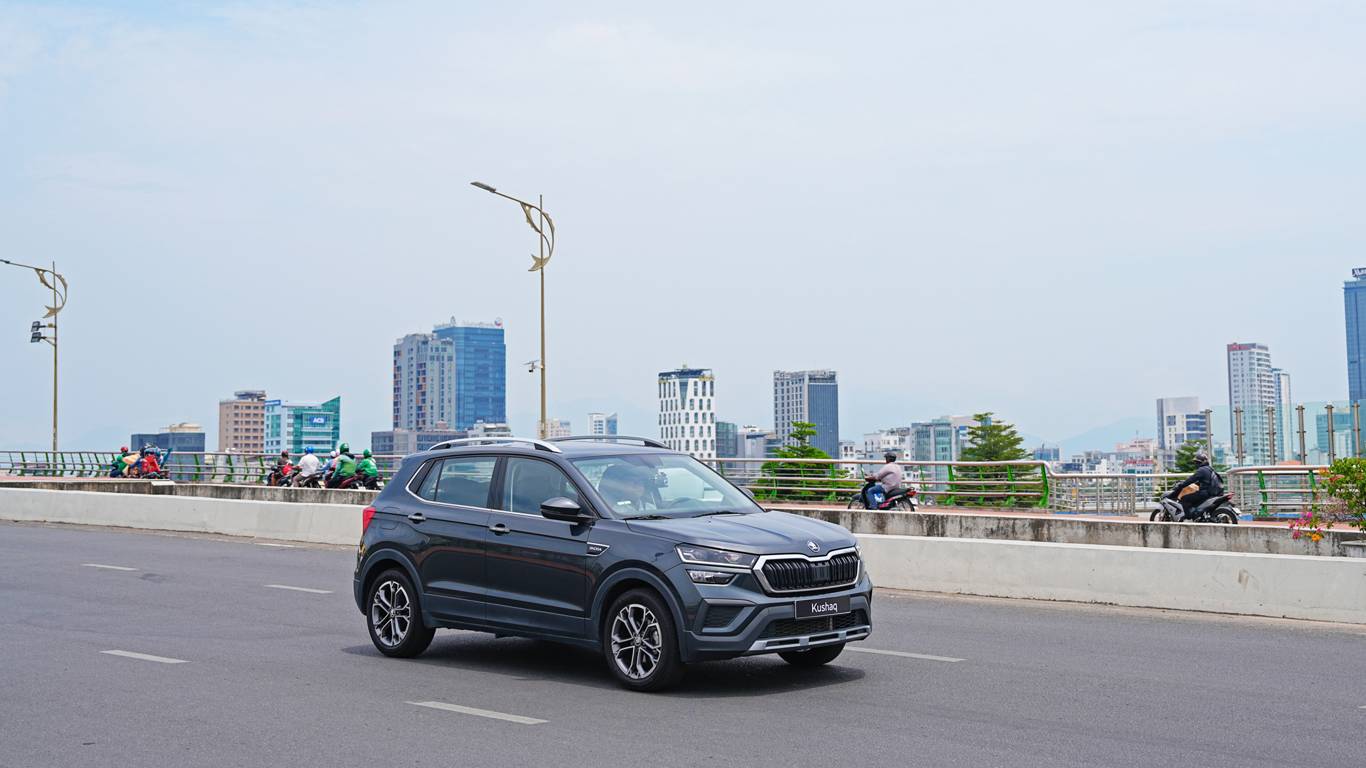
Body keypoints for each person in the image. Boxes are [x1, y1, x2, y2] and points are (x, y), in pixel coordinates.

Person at [1166, 448, 1222, 520]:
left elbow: (1190, 480)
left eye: (1196, 462)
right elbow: (1204, 481)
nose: (1195, 464)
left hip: (1206, 492)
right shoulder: (1209, 469)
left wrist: (1181, 485)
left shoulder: (1201, 470)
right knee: (1194, 497)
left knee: (1184, 498)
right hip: (1213, 492)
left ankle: (1189, 517)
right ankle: (1198, 515)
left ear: (1200, 463)